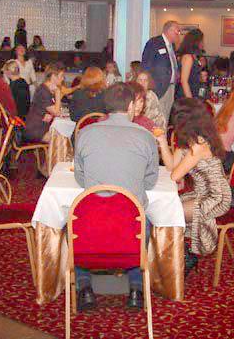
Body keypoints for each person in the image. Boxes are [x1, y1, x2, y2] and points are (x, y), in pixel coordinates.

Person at [73, 83, 158, 311]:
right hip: (130, 228)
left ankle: (83, 286)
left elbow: (81, 179)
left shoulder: (85, 133)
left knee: (69, 223)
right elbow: (150, 182)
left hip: (91, 227)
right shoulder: (146, 137)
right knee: (144, 220)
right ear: (130, 106)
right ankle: (136, 289)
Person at [156, 98, 231, 266]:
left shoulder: (199, 145)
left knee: (170, 213)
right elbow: (171, 166)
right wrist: (162, 141)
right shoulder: (192, 139)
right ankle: (180, 254)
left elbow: (175, 176)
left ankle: (180, 256)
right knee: (167, 208)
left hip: (216, 197)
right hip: (201, 193)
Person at [141, 21, 181, 124]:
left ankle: (162, 134)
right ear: (170, 30)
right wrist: (147, 87)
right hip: (158, 88)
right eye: (177, 31)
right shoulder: (154, 43)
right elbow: (146, 66)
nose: (178, 34)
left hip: (171, 87)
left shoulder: (172, 46)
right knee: (155, 117)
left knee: (165, 117)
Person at [24, 63, 64, 143]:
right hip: (35, 129)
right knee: (63, 140)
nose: (63, 79)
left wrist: (51, 114)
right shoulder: (43, 91)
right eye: (61, 76)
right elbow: (57, 112)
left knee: (65, 135)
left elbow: (55, 110)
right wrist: (58, 93)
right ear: (53, 77)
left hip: (42, 126)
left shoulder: (47, 89)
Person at [177, 29, 204, 99]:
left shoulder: (194, 56)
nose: (203, 43)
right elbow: (184, 81)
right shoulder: (188, 57)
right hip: (186, 96)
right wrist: (190, 101)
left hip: (194, 92)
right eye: (201, 41)